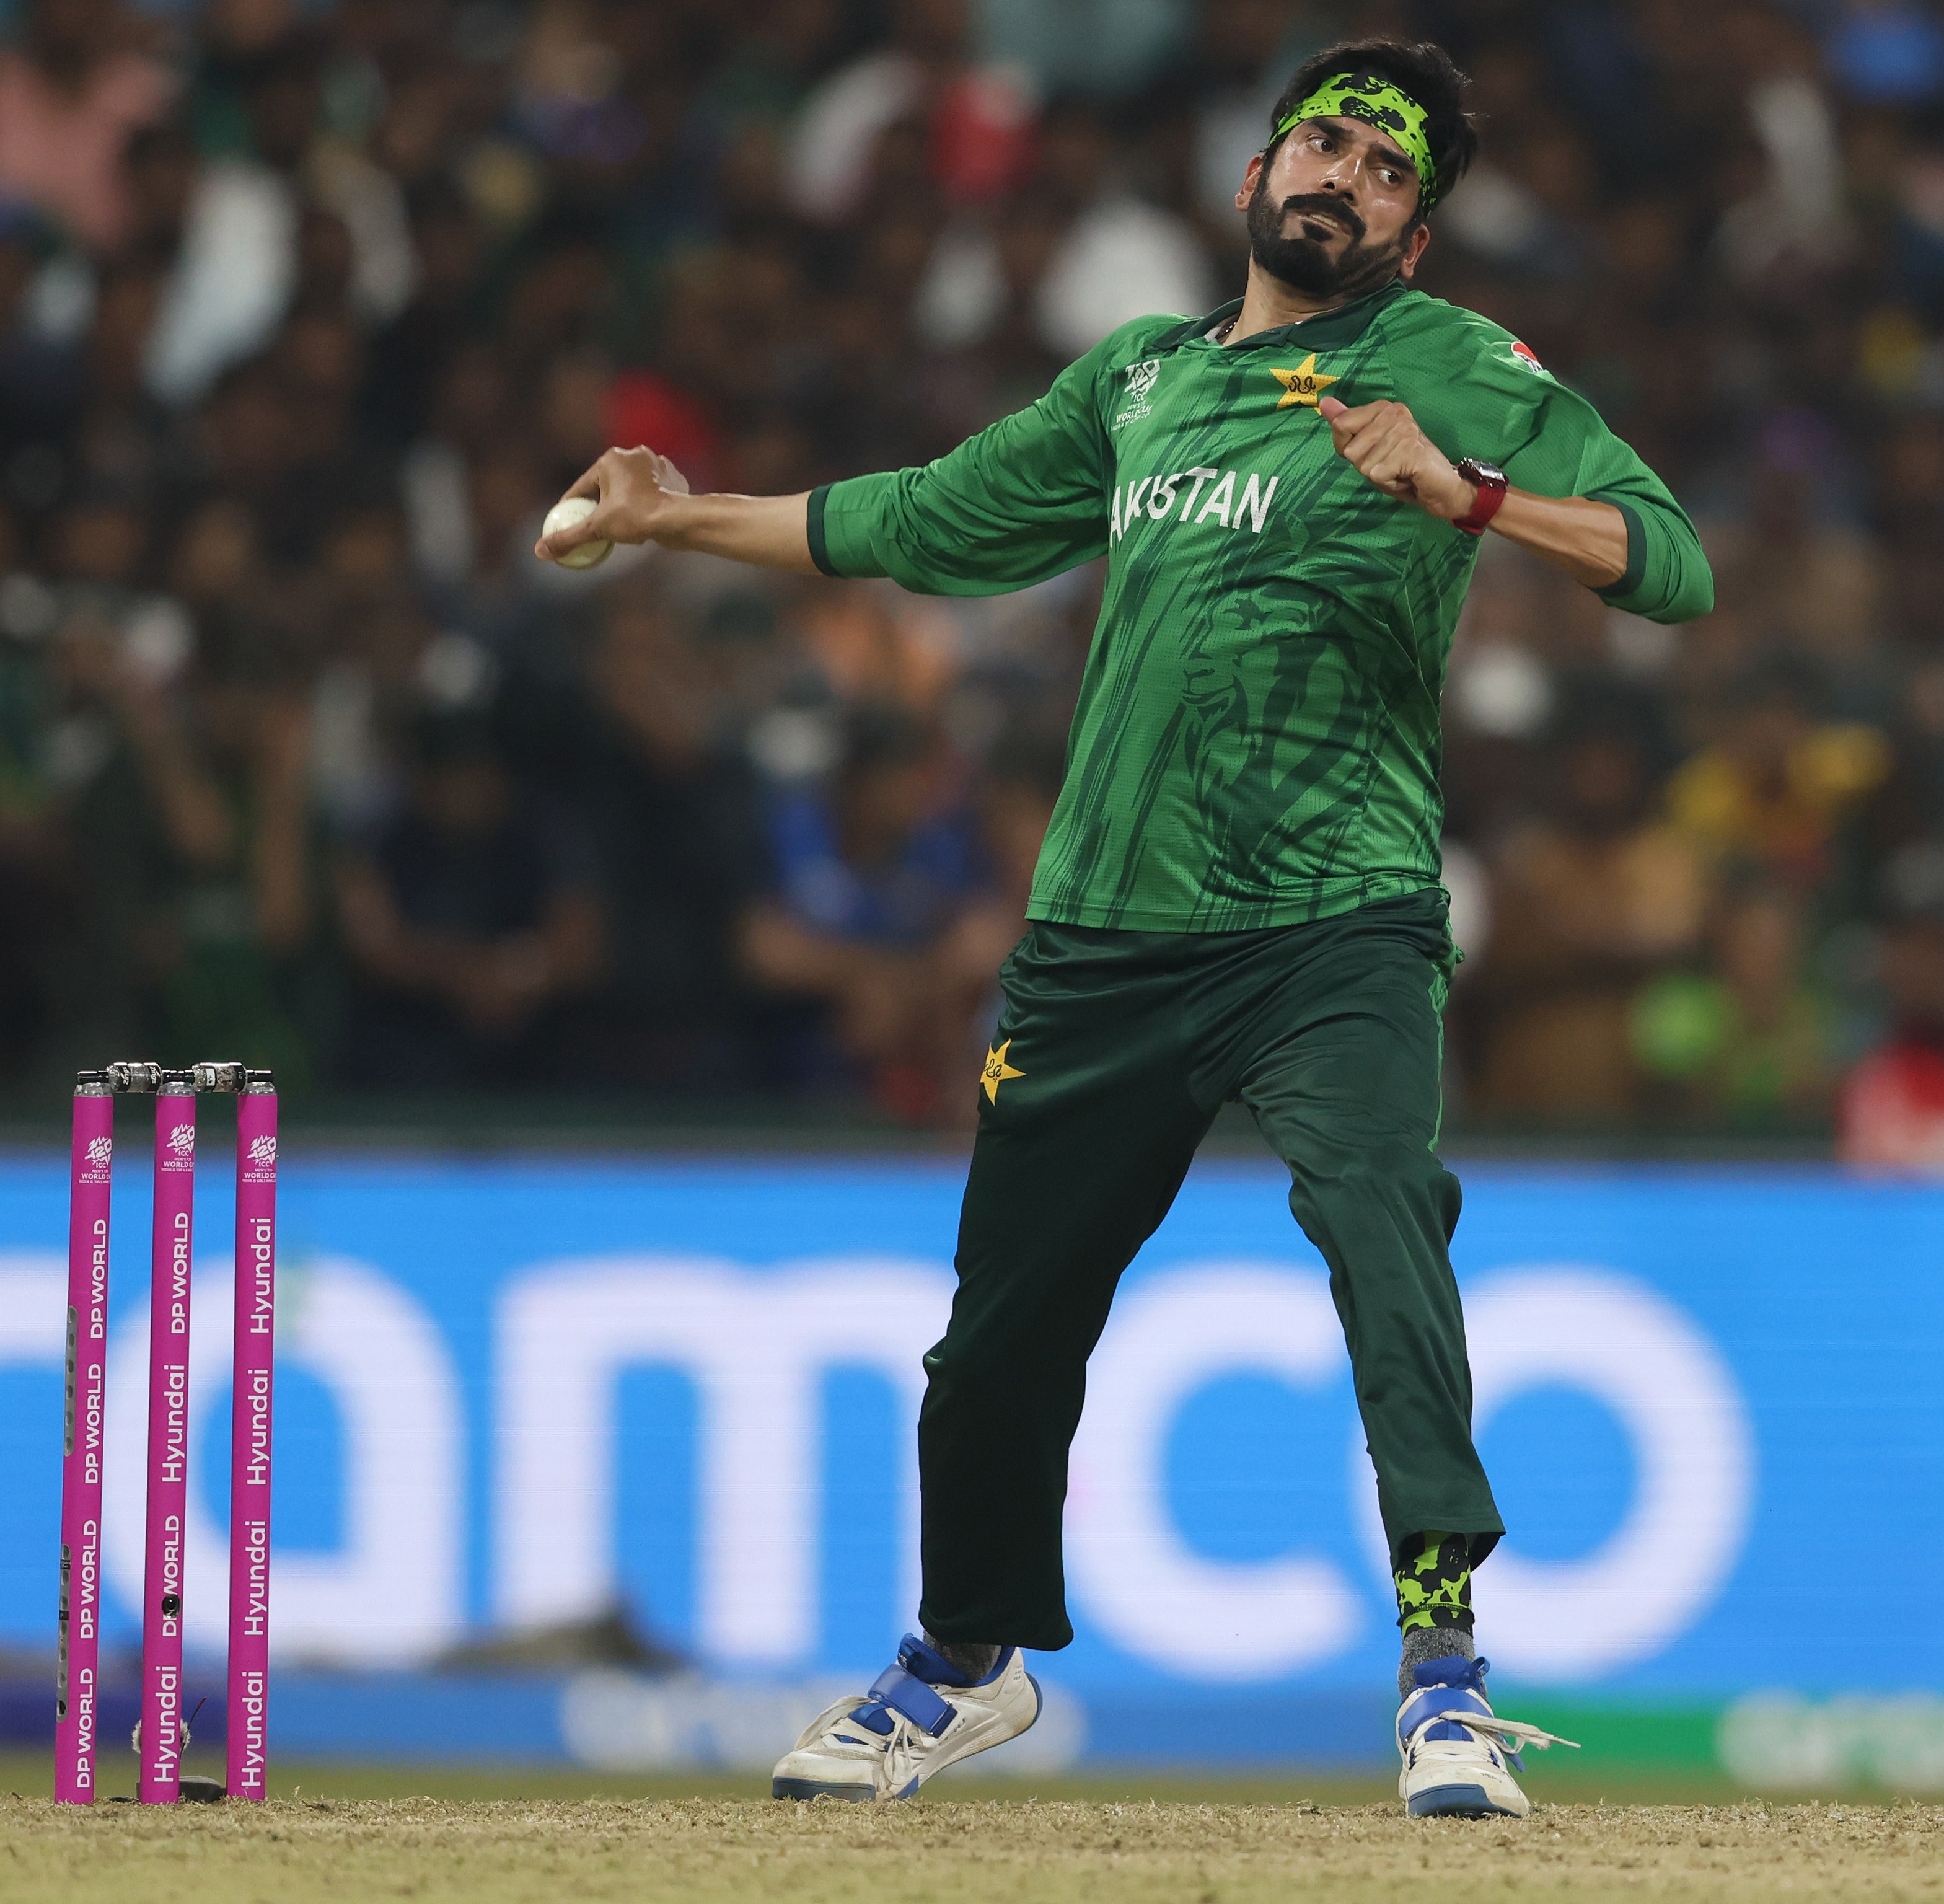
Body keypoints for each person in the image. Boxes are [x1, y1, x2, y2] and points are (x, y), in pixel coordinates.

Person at [537, 38, 1713, 1819]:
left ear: (1411, 229)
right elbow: (924, 523)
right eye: (1321, 141)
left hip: (1334, 920)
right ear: (1256, 176)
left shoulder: (1454, 367)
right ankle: (958, 1662)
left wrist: (1462, 494)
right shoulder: (1141, 380)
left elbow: (1670, 566)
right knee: (996, 1339)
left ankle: (1444, 1672)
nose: (1345, 176)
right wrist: (673, 516)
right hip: (1100, 938)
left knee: (1382, 1230)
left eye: (1389, 171)